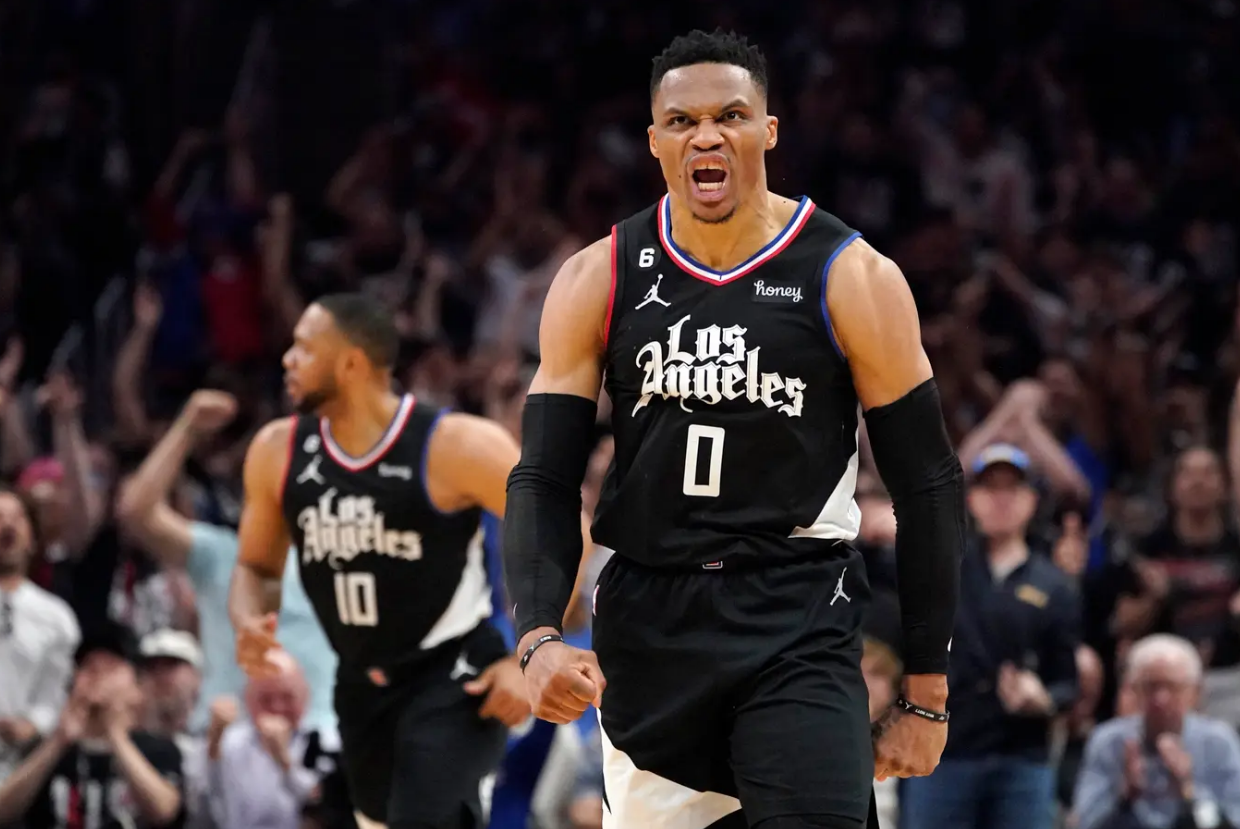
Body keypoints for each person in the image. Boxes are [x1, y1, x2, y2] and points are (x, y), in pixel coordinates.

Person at [504, 29, 965, 829]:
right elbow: (544, 474)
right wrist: (538, 634)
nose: (707, 136)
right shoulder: (598, 275)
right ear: (655, 141)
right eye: (682, 122)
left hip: (796, 610)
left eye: (731, 115)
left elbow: (927, 482)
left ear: (769, 130)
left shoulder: (850, 274)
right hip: (653, 621)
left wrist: (926, 691)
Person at [228, 293, 532, 829]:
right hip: (360, 684)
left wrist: (530, 653)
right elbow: (257, 568)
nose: (287, 360)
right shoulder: (277, 452)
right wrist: (248, 621)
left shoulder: (453, 444)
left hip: (455, 674)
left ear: (351, 363)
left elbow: (562, 530)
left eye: (303, 348)